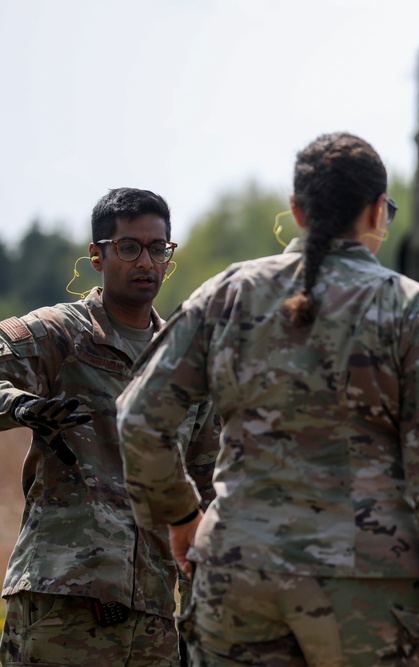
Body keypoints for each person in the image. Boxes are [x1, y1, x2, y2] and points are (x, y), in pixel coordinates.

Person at [116, 132, 419, 667]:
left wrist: (181, 516)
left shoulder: (229, 293)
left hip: (238, 578)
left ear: (296, 211)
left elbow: (138, 417)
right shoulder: (409, 308)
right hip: (367, 588)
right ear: (376, 213)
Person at [0, 187, 219, 666]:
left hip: (153, 620)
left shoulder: (183, 360)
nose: (145, 261)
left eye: (157, 248)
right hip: (62, 603)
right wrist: (18, 405)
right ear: (97, 256)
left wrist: (201, 620)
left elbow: (204, 495)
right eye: (128, 247)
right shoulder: (61, 333)